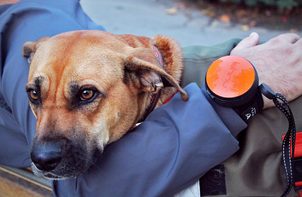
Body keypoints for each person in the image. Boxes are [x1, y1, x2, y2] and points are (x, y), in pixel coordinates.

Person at [0, 0, 301, 196]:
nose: (42, 152)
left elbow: (82, 191)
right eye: (36, 97)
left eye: (85, 96)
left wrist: (235, 95)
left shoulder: (31, 48)